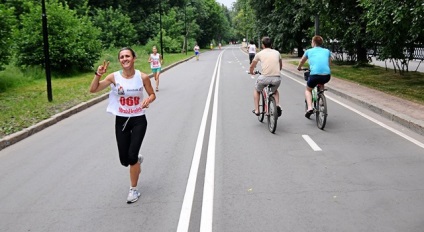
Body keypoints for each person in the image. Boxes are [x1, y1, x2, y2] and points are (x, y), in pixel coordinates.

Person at [89, 47, 156, 204]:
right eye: (121, 57)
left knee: (131, 156)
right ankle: (136, 161)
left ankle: (133, 189)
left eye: (127, 56)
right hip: (121, 121)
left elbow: (152, 94)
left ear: (134, 58)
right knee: (124, 160)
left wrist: (148, 100)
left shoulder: (143, 77)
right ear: (119, 60)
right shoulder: (114, 77)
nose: (124, 59)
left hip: (138, 119)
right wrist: (98, 74)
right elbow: (93, 89)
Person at [297, 35, 331, 118]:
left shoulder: (309, 51)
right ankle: (321, 99)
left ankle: (309, 107)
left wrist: (299, 67)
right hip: (327, 75)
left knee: (308, 90)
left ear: (313, 43)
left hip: (314, 75)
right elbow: (329, 63)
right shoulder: (327, 51)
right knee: (321, 81)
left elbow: (302, 61)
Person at [249, 37, 282, 117]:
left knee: (257, 90)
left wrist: (251, 72)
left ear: (263, 45)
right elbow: (280, 65)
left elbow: (252, 66)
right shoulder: (277, 53)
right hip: (277, 78)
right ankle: (277, 105)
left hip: (264, 78)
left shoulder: (259, 54)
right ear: (271, 44)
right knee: (275, 91)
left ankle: (257, 110)